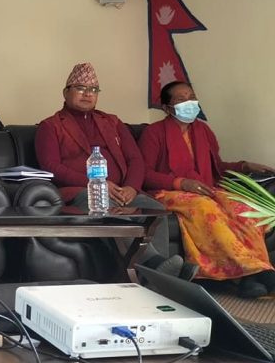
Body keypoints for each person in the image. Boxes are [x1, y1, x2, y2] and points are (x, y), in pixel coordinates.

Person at [35, 63, 192, 278]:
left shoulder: (112, 121)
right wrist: (97, 184)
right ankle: (158, 269)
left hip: (121, 191)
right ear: (65, 92)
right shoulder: (51, 126)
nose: (87, 94)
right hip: (82, 191)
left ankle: (162, 271)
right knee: (104, 206)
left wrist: (132, 187)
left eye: (93, 90)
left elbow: (135, 159)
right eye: (80, 88)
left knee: (155, 209)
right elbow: (51, 167)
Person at [139, 81, 275, 298]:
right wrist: (181, 183)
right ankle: (255, 273)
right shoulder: (153, 133)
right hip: (169, 191)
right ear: (166, 107)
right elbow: (144, 174)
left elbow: (216, 167)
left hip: (204, 188)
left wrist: (244, 166)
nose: (189, 103)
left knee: (242, 208)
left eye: (192, 97)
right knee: (205, 208)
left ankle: (250, 275)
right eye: (181, 99)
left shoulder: (203, 130)